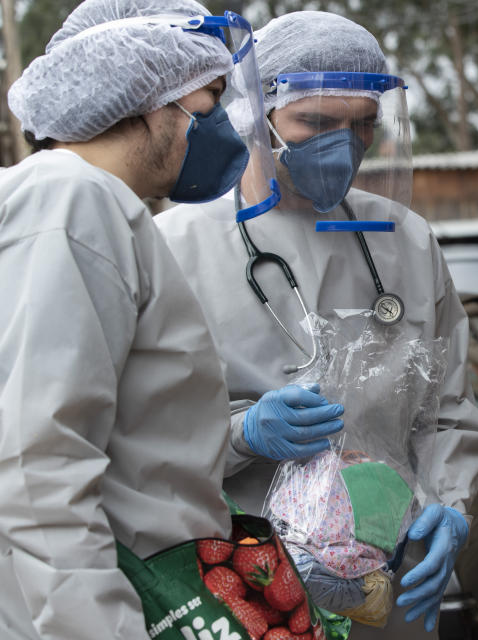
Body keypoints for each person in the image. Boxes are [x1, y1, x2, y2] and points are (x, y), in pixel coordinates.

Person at [155, 11, 478, 638]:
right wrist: (241, 437)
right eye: (315, 123)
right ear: (255, 111)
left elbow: (449, 409)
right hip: (235, 587)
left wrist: (450, 502)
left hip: (378, 580)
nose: (343, 145)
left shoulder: (407, 241)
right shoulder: (175, 246)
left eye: (363, 125)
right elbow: (140, 433)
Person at [0, 0, 280, 638]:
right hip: (112, 606)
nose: (225, 125)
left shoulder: (88, 207)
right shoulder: (70, 201)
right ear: (152, 97)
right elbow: (39, 465)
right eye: (210, 97)